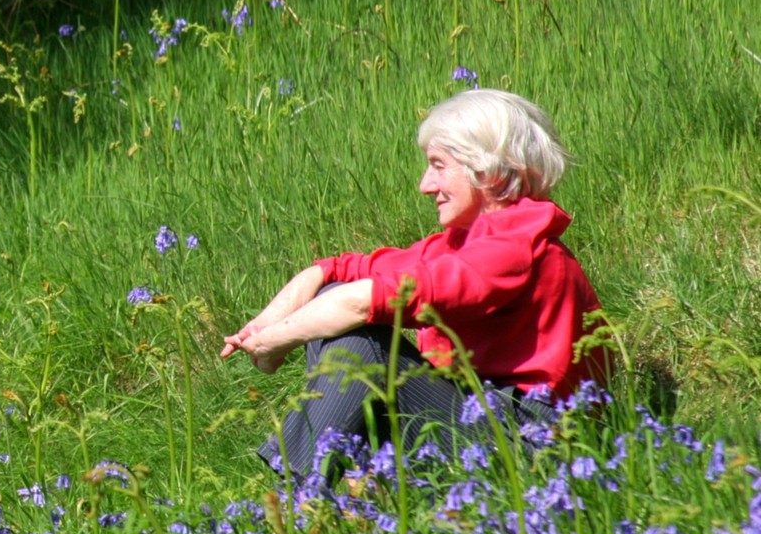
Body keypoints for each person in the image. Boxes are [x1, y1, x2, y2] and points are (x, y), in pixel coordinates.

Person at [221, 89, 608, 480]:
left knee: (360, 344)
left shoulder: (515, 248)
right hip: (482, 420)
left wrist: (274, 343)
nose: (425, 185)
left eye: (438, 166)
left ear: (486, 169)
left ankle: (301, 498)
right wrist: (263, 326)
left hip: (530, 446)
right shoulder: (467, 242)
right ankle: (358, 488)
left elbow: (358, 304)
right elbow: (331, 271)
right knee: (331, 299)